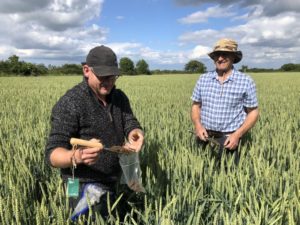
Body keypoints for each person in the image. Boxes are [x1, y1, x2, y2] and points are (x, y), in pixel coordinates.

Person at [45, 45, 144, 220]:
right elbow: (52, 155)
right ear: (86, 70)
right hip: (82, 186)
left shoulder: (119, 97)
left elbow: (130, 122)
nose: (108, 82)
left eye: (112, 76)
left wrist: (134, 133)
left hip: (114, 180)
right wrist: (77, 156)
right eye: (102, 76)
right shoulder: (70, 103)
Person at [191, 38, 259, 164]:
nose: (220, 58)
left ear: (233, 57)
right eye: (217, 55)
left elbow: (253, 112)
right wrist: (198, 126)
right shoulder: (203, 79)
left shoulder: (245, 81)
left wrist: (237, 135)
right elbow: (196, 106)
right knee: (200, 177)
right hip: (204, 137)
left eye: (225, 54)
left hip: (229, 140)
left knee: (228, 177)